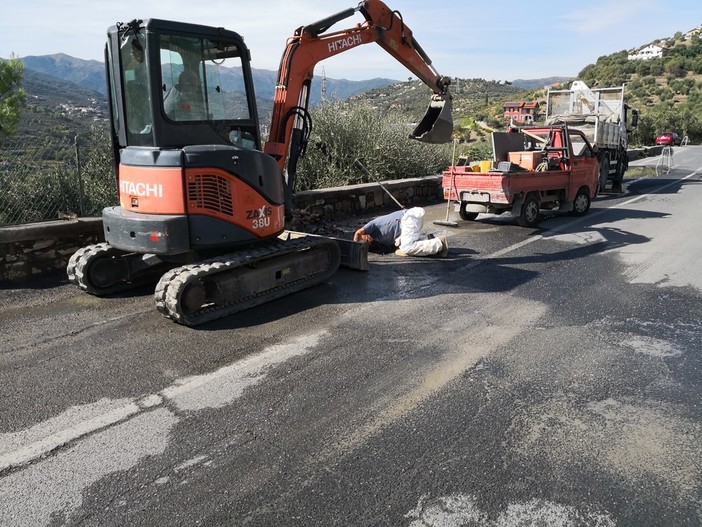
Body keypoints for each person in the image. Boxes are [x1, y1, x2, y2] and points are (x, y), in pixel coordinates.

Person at [353, 207, 449, 257]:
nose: (368, 241)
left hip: (408, 219)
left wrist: (355, 242)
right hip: (408, 224)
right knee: (402, 247)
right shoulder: (376, 242)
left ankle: (439, 242)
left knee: (407, 248)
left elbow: (358, 232)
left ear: (364, 235)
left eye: (365, 240)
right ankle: (427, 240)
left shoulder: (371, 226)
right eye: (367, 243)